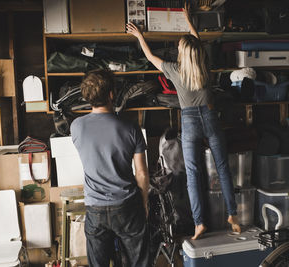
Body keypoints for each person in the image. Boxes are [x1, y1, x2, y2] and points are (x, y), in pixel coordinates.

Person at [126, 4, 241, 240]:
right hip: (210, 116)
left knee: (193, 173)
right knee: (223, 168)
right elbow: (196, 41)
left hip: (189, 120)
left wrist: (140, 35)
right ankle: (233, 215)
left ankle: (199, 223)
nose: (178, 47)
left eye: (179, 46)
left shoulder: (175, 70)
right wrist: (189, 21)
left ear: (183, 54)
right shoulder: (203, 65)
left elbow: (149, 57)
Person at [70, 69, 150, 267]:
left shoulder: (77, 127)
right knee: (139, 262)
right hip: (127, 206)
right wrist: (145, 203)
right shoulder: (131, 129)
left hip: (95, 208)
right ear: (112, 95)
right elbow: (141, 173)